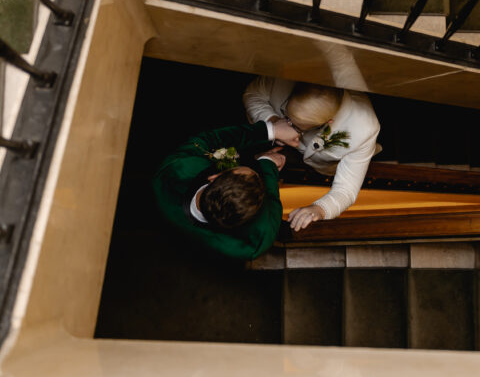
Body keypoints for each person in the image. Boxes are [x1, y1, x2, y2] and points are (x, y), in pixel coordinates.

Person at [243, 76, 380, 231]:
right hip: (267, 141)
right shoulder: (281, 77)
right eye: (288, 118)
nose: (291, 128)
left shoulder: (364, 130)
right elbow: (252, 94)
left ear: (328, 122)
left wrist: (320, 209)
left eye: (299, 127)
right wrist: (274, 122)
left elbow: (346, 190)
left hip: (323, 166)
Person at [152, 119, 299, 260]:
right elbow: (272, 200)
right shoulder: (253, 244)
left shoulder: (174, 173)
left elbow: (206, 140)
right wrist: (268, 163)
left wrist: (271, 130)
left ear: (214, 177)